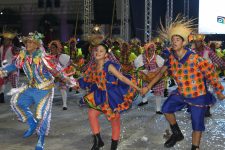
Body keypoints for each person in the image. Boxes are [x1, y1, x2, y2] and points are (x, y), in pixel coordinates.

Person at [141, 17, 225, 150]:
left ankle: (195, 147)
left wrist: (219, 91)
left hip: (198, 94)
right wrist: (148, 86)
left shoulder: (195, 58)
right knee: (166, 108)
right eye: (173, 40)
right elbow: (160, 73)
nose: (174, 42)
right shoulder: (171, 58)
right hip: (182, 93)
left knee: (197, 125)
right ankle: (176, 133)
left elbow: (210, 73)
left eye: (177, 40)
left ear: (184, 42)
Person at [0, 32, 74, 150]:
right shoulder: (22, 56)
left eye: (31, 42)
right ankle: (32, 124)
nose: (28, 44)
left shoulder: (44, 58)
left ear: (36, 45)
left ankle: (41, 139)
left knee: (42, 115)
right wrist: (2, 71)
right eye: (27, 42)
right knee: (17, 102)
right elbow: (13, 65)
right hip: (31, 87)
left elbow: (56, 71)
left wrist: (70, 80)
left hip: (44, 89)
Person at [78, 41, 140, 150]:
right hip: (99, 94)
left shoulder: (109, 65)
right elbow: (87, 80)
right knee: (92, 113)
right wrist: (73, 81)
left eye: (101, 51)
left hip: (112, 95)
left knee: (114, 119)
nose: (98, 52)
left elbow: (122, 78)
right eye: (96, 50)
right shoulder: (92, 66)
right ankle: (98, 141)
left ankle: (114, 145)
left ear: (106, 54)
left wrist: (137, 88)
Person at [134, 42, 165, 114]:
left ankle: (158, 109)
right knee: (143, 88)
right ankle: (144, 101)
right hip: (146, 76)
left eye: (152, 50)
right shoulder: (141, 57)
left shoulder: (157, 57)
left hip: (156, 77)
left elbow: (162, 67)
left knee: (158, 92)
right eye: (149, 50)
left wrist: (155, 72)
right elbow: (138, 65)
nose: (151, 51)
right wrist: (144, 71)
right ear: (146, 50)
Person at [0, 31, 18, 103]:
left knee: (14, 84)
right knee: (1, 83)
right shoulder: (1, 47)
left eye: (7, 40)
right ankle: (1, 97)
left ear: (10, 41)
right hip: (4, 68)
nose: (5, 41)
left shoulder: (12, 48)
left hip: (12, 68)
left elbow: (18, 55)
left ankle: (16, 99)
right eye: (4, 39)